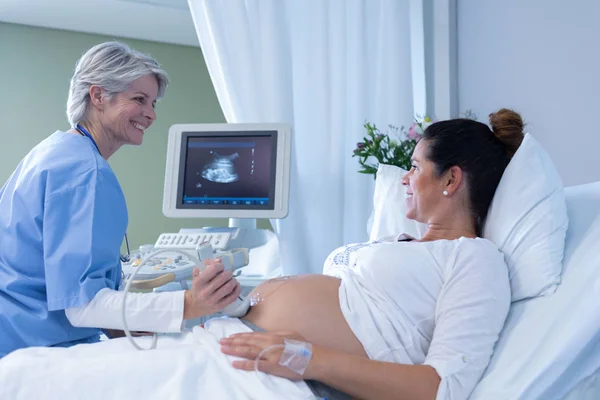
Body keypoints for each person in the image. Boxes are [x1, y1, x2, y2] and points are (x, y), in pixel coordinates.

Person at [218, 110, 525, 400]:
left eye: (415, 167)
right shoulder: (396, 243)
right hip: (243, 343)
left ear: (451, 179)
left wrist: (305, 358)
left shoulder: (474, 258)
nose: (404, 178)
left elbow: (440, 387)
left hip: (292, 380)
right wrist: (235, 303)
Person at [0, 42, 240, 358]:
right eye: (139, 100)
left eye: (153, 104)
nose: (151, 114)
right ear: (98, 96)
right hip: (29, 347)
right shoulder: (84, 172)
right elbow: (82, 306)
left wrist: (113, 323)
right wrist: (191, 304)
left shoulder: (52, 152)